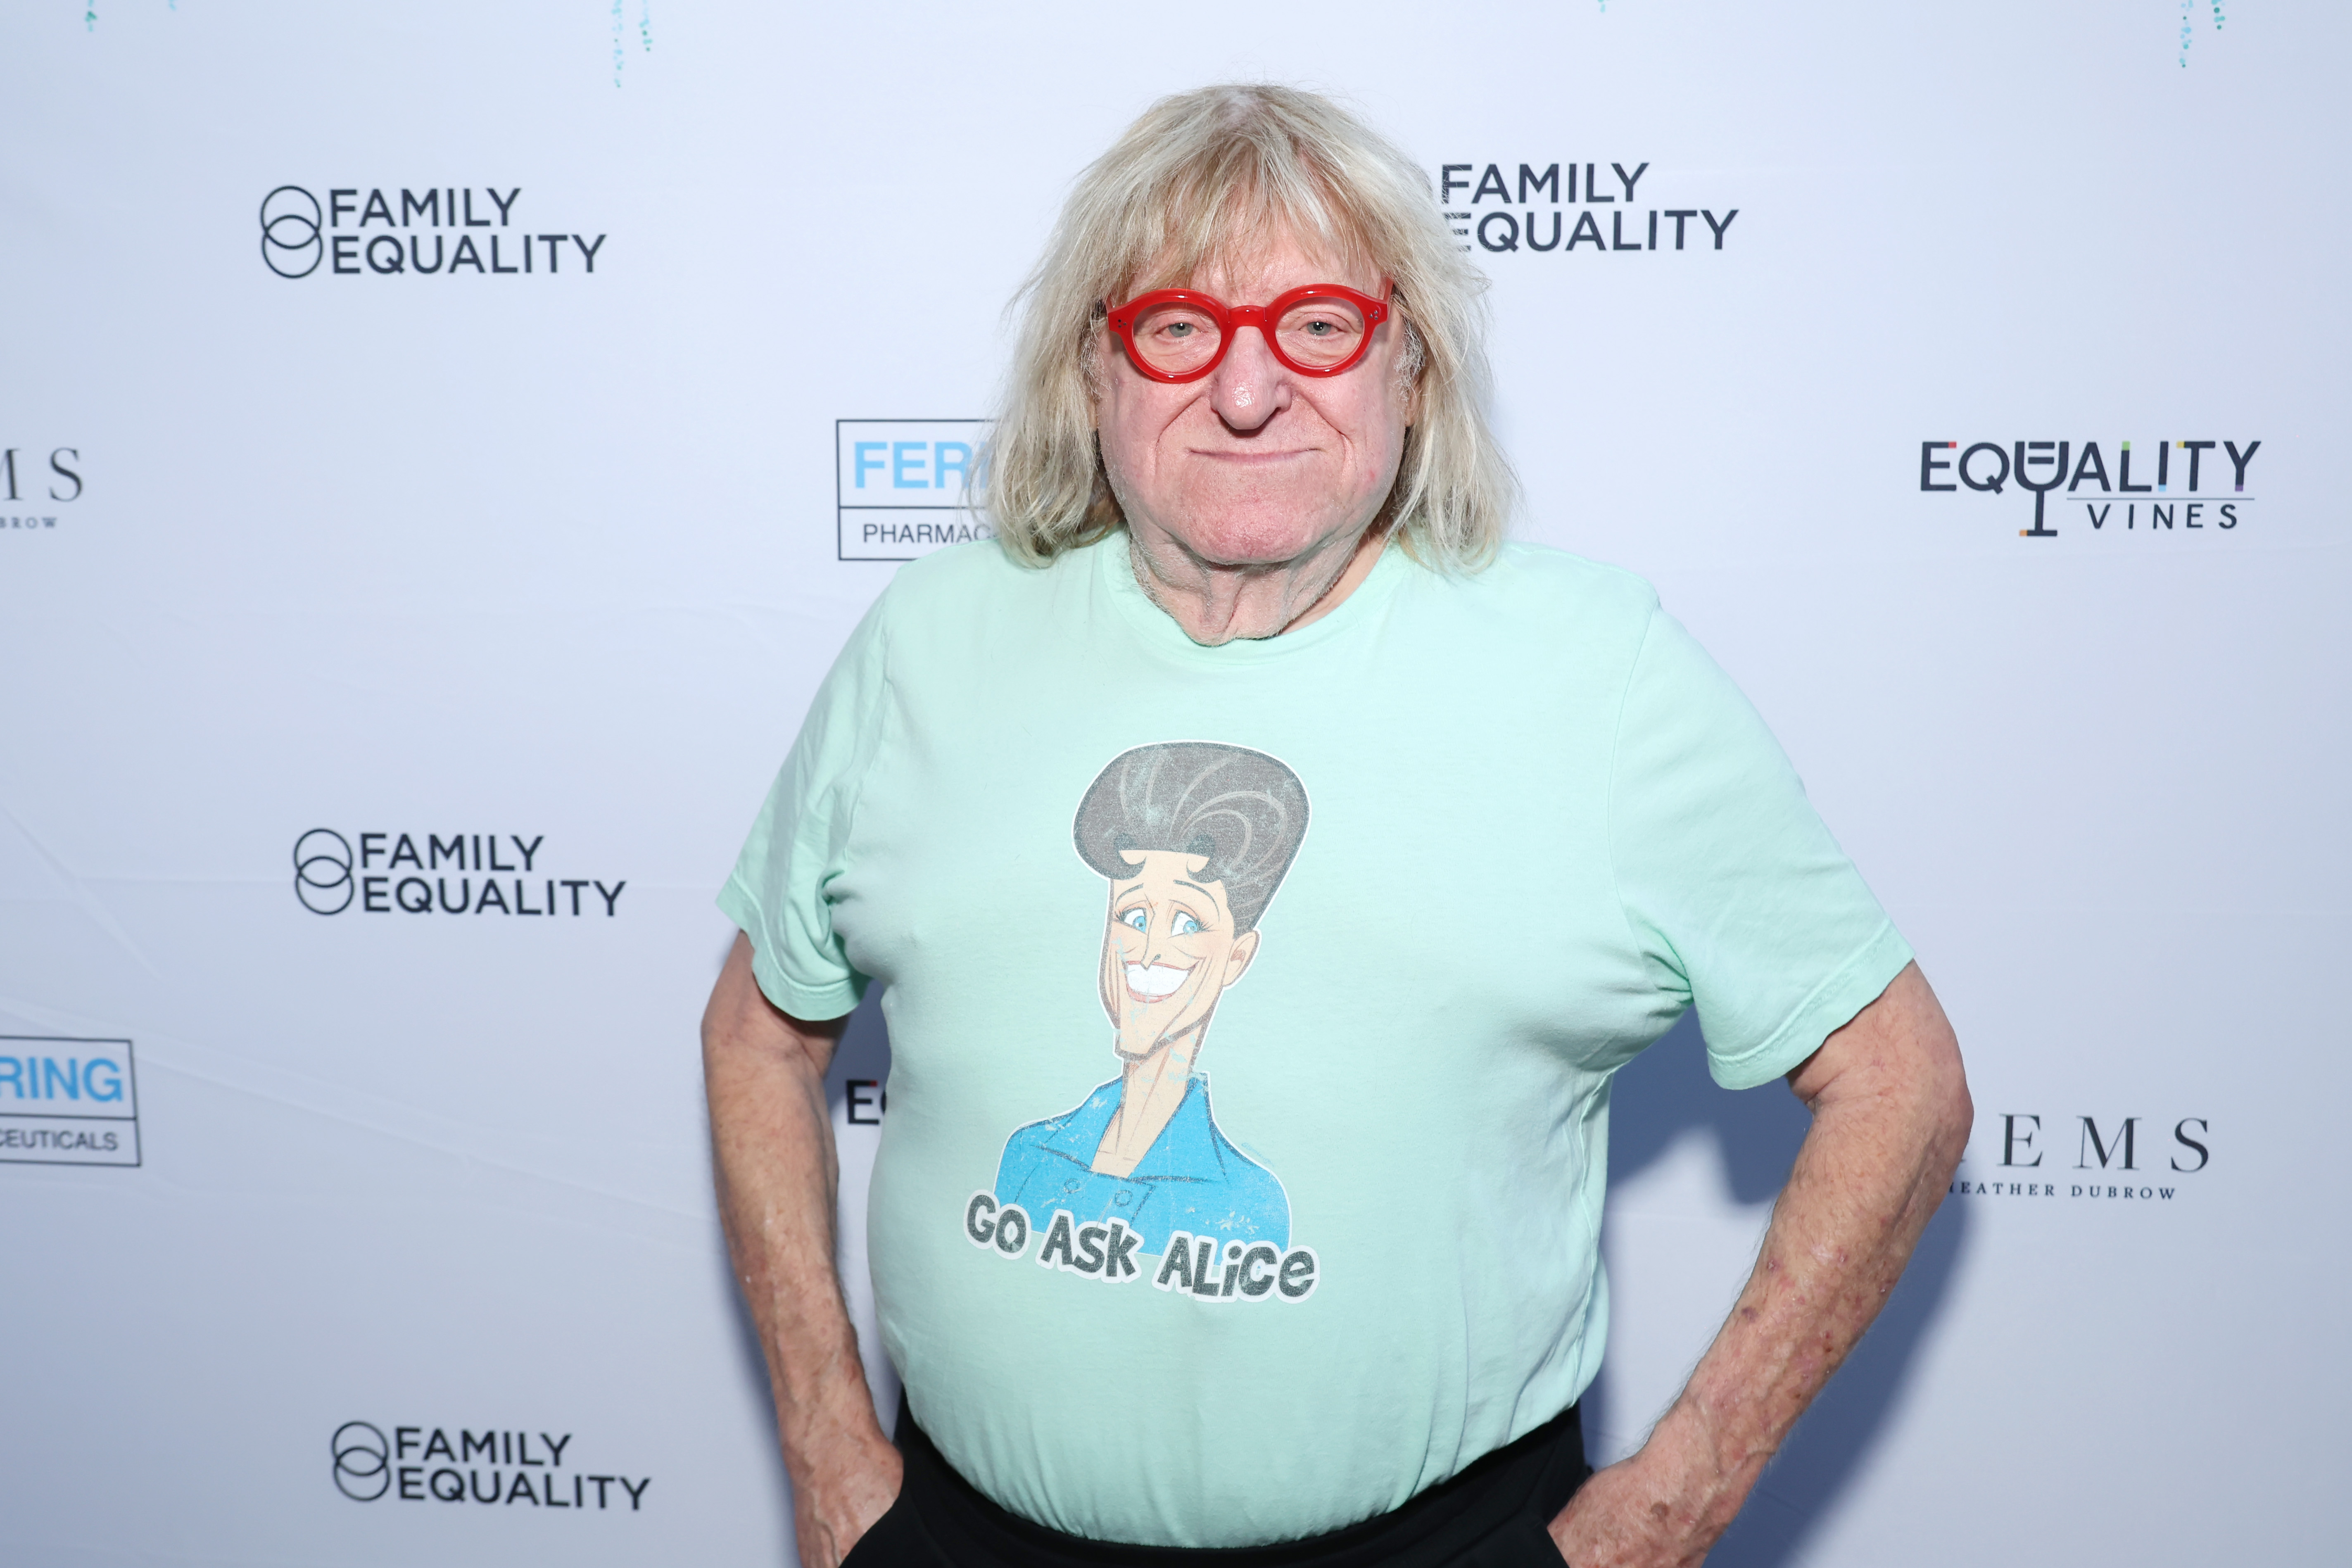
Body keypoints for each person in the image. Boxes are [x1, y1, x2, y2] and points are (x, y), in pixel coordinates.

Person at [703, 83, 1971, 1568]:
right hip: (956, 1533)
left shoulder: (1600, 675)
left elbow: (1903, 1085)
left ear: (1412, 370)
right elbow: (758, 1033)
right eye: (1180, 326)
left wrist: (1676, 1495)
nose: (1248, 391)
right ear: (1093, 368)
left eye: (1319, 325)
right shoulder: (930, 638)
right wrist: (824, 1442)